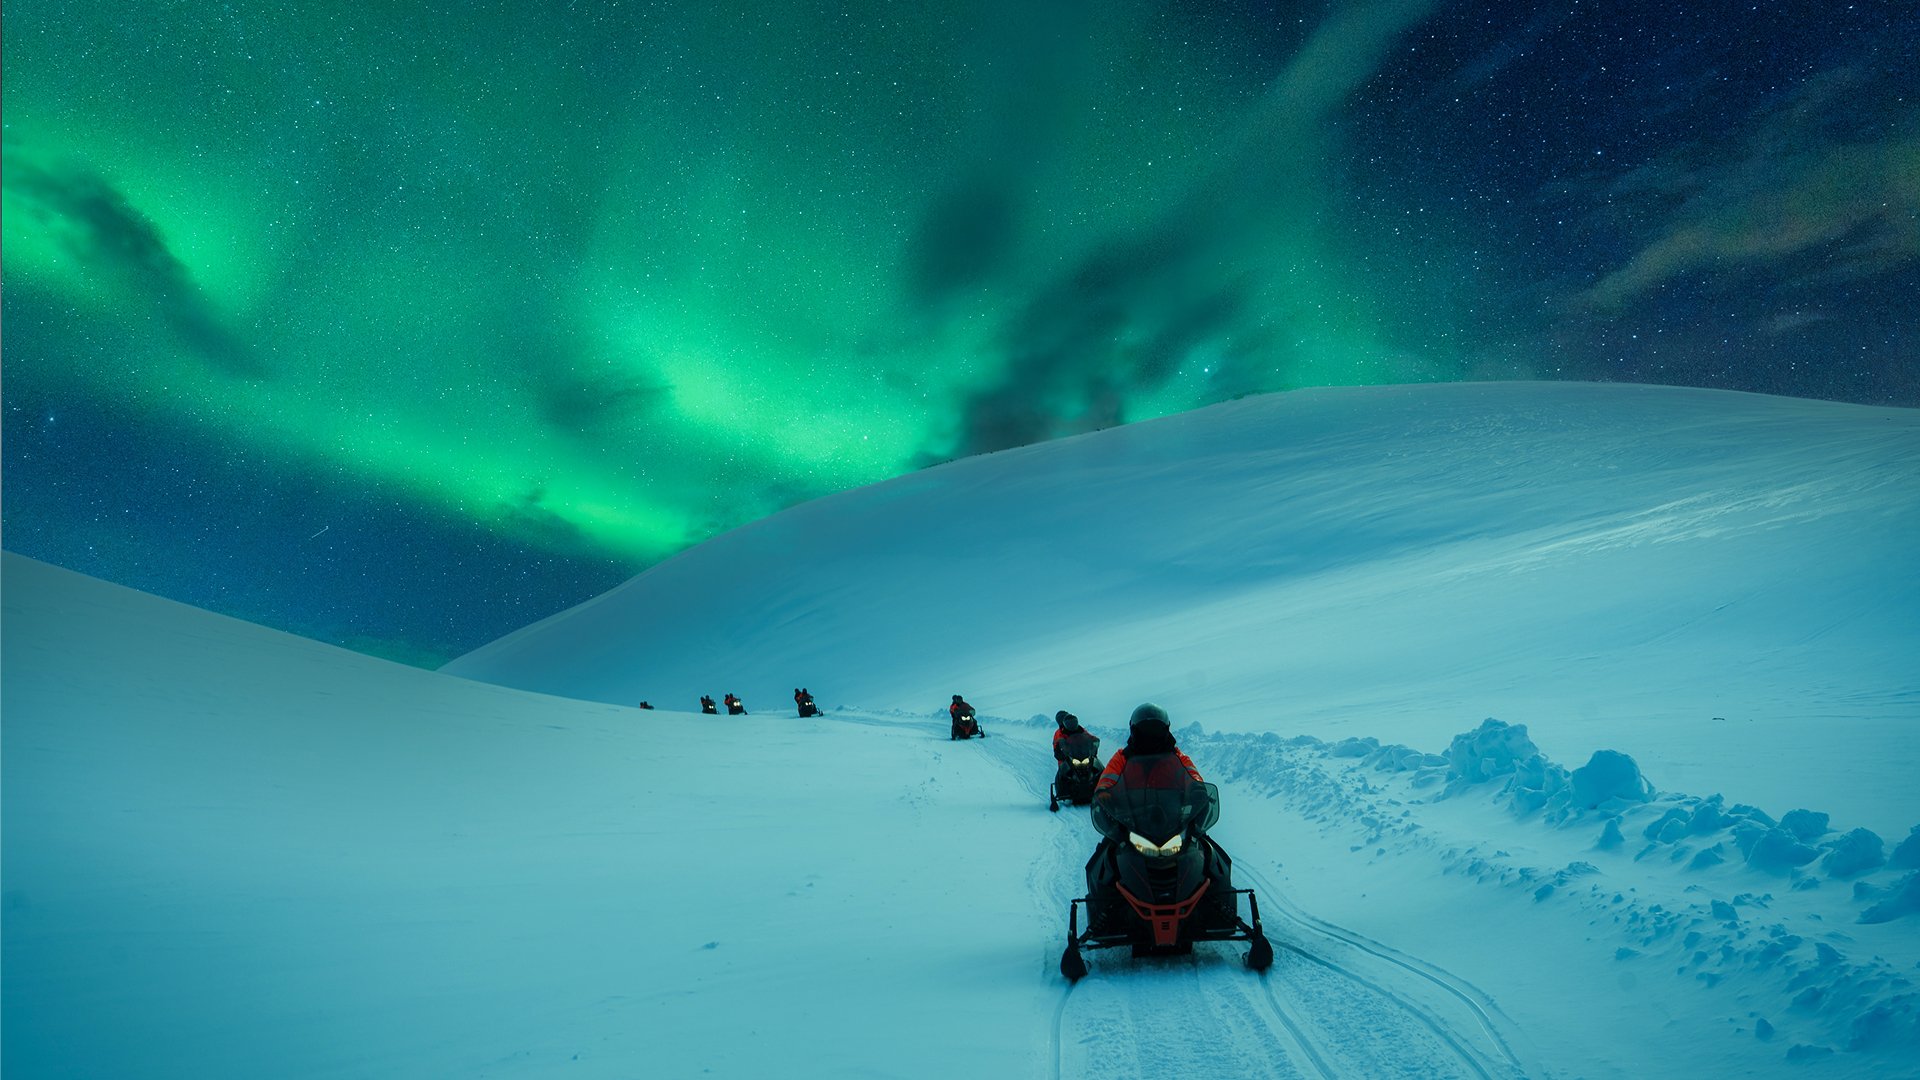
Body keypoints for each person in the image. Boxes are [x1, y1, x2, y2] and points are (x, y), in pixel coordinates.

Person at [1052, 710, 1100, 784]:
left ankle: (1103, 783)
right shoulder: (1058, 733)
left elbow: (1088, 737)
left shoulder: (1080, 729)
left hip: (1081, 753)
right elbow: (1056, 744)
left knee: (1097, 765)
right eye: (1060, 719)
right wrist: (1059, 751)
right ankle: (1061, 791)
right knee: (1063, 774)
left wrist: (1093, 744)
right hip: (1067, 757)